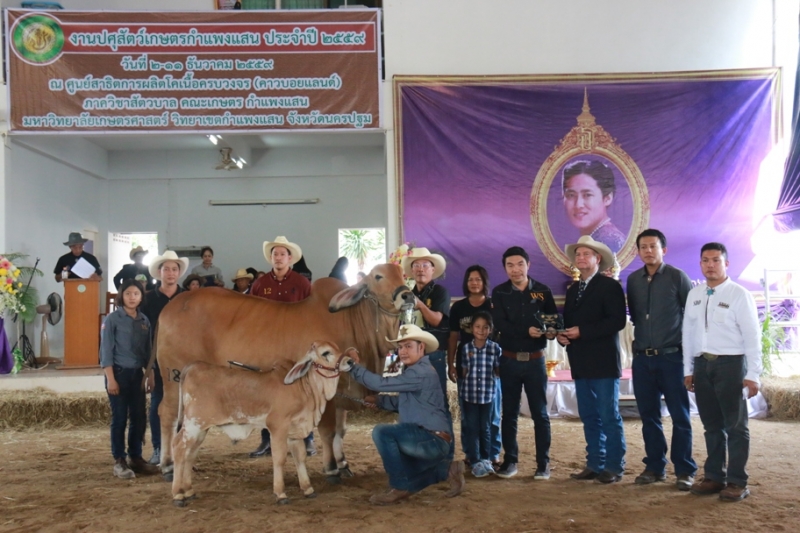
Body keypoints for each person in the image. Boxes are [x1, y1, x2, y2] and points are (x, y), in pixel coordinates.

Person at [348, 324, 464, 505]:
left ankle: (398, 487)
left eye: (408, 346)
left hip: (429, 440)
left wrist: (352, 367)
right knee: (410, 477)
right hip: (432, 441)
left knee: (382, 433)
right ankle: (447, 470)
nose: (402, 351)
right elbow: (403, 403)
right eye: (400, 347)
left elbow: (379, 384)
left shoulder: (419, 373)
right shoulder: (419, 370)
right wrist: (380, 401)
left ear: (421, 347)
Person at [682, 242, 762, 502]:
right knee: (711, 425)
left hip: (731, 365)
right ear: (700, 264)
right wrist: (689, 369)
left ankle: (737, 481)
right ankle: (714, 476)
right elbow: (688, 335)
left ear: (726, 264)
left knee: (736, 426)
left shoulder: (739, 294)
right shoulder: (694, 295)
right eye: (705, 260)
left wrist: (753, 374)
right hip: (702, 365)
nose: (710, 265)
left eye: (716, 260)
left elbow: (752, 336)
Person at [626, 229, 697, 491]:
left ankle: (685, 470)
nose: (648, 251)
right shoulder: (633, 280)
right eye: (643, 247)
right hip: (643, 359)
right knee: (649, 416)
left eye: (653, 246)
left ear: (663, 250)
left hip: (672, 358)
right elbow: (635, 317)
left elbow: (691, 316)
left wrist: (690, 360)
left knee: (680, 416)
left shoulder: (678, 277)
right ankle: (655, 466)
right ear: (638, 251)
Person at [559, 236, 627, 484]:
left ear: (598, 259)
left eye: (586, 254)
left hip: (603, 362)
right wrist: (562, 336)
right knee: (589, 416)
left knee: (608, 415)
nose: (581, 258)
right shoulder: (573, 290)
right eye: (578, 254)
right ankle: (595, 463)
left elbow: (617, 321)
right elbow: (568, 324)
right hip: (580, 362)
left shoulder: (610, 286)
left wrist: (582, 332)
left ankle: (614, 465)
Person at [491, 246, 557, 480]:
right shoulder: (499, 292)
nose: (515, 269)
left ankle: (543, 464)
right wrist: (526, 331)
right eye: (510, 265)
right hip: (509, 360)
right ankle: (510, 461)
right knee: (509, 413)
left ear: (528, 265)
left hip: (535, 362)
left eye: (520, 264)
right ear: (505, 268)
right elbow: (500, 324)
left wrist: (551, 331)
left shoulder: (542, 291)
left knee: (540, 414)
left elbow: (553, 321)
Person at [248, 236, 313, 458]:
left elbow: (310, 314)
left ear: (290, 258)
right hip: (266, 346)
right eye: (275, 254)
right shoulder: (260, 284)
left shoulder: (302, 283)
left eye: (282, 254)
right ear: (270, 258)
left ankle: (306, 438)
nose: (278, 257)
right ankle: (267, 440)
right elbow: (250, 313)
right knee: (266, 391)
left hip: (296, 345)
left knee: (301, 390)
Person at [100, 279, 159, 479]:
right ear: (121, 296)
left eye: (136, 294)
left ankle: (136, 457)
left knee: (139, 417)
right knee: (119, 418)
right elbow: (106, 350)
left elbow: (148, 351)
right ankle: (119, 460)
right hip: (118, 373)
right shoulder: (112, 319)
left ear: (141, 297)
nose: (132, 297)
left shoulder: (144, 321)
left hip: (137, 375)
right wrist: (111, 379)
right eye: (128, 294)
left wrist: (150, 374)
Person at [447, 265, 501, 468]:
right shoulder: (458, 308)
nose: (474, 283)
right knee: (468, 416)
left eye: (478, 279)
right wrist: (451, 363)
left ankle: (493, 453)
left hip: (489, 368)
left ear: (484, 282)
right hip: (466, 366)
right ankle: (471, 454)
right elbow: (453, 337)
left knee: (492, 415)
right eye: (470, 279)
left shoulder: (494, 305)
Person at [141, 250, 189, 467]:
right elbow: (144, 333)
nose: (170, 273)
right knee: (159, 403)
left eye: (174, 269)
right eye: (166, 269)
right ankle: (159, 448)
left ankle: (181, 450)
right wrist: (148, 366)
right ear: (159, 272)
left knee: (185, 407)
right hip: (158, 360)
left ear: (179, 273)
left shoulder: (188, 298)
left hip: (186, 361)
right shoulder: (148, 299)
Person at [400, 247, 450, 406]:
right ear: (411, 271)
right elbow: (404, 326)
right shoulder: (407, 295)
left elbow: (437, 321)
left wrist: (420, 305)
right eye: (416, 265)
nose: (420, 269)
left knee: (437, 402)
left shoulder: (440, 292)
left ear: (433, 270)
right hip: (411, 356)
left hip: (433, 354)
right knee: (412, 401)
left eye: (425, 265)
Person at [459, 311, 501, 478]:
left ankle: (486, 459)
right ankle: (475, 461)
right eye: (477, 327)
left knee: (486, 428)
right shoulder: (466, 348)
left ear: (490, 329)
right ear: (471, 328)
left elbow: (497, 371)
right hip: (469, 395)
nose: (481, 330)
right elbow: (464, 371)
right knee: (472, 428)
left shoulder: (495, 348)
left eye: (485, 327)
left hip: (487, 395)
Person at [562, 160, 626, 252]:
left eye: (587, 195)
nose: (578, 204)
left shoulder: (610, 242)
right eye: (571, 195)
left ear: (607, 198)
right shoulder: (593, 237)